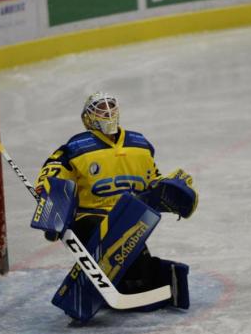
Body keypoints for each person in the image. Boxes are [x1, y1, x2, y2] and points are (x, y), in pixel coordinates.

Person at [34, 92, 197, 321]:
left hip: (129, 218)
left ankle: (149, 279)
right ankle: (117, 284)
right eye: (100, 108)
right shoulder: (76, 147)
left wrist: (171, 191)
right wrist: (50, 207)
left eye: (110, 107)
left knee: (140, 274)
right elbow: (52, 177)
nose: (107, 113)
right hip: (89, 218)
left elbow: (153, 183)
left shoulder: (140, 145)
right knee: (116, 247)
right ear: (88, 117)